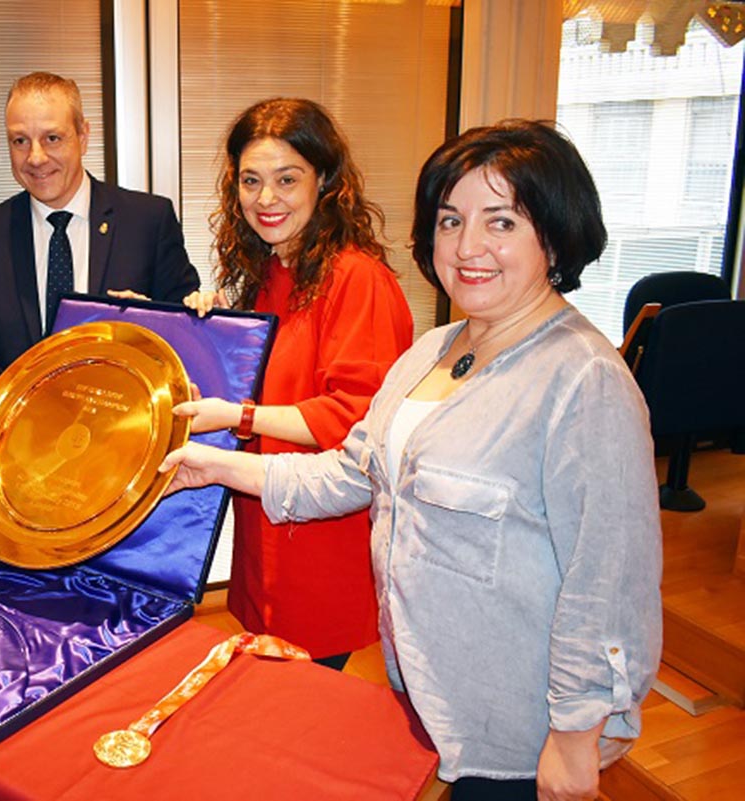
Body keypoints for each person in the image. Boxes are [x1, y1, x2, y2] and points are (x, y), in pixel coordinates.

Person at [160, 120, 662, 801]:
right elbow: (347, 472)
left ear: (555, 232)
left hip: (518, 729)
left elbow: (609, 585)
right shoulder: (432, 351)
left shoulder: (583, 380)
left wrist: (576, 738)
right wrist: (213, 465)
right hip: (429, 698)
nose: (468, 246)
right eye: (451, 219)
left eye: (502, 222)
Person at [178, 98, 414, 668]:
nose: (266, 199)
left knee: (304, 718)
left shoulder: (358, 279)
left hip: (322, 550)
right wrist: (210, 332)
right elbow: (261, 387)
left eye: (287, 179)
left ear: (325, 180)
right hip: (265, 540)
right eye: (251, 181)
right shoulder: (271, 274)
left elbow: (350, 421)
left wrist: (239, 416)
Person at [0, 72, 200, 417]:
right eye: (19, 141)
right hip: (26, 435)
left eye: (52, 138)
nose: (35, 157)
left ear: (83, 135)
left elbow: (186, 326)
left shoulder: (148, 220)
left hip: (128, 427)